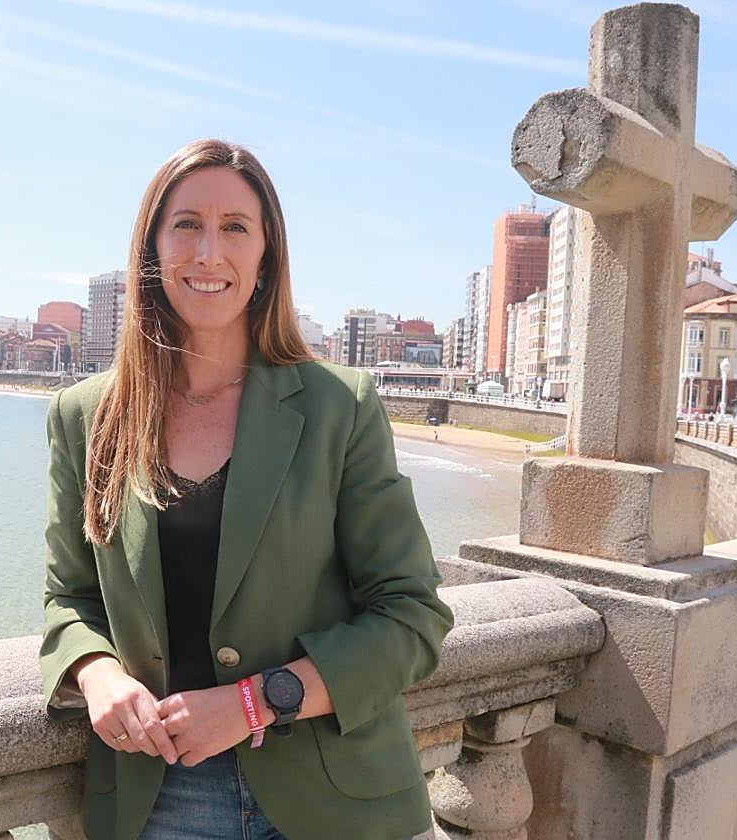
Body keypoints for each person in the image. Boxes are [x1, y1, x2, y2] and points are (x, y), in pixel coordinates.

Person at [40, 139, 454, 840]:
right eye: (186, 224)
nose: (208, 253)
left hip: (336, 798)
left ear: (266, 257)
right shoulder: (85, 416)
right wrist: (96, 672)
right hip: (159, 795)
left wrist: (255, 702)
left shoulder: (338, 407)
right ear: (151, 248)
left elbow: (412, 617)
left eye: (235, 227)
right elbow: (69, 598)